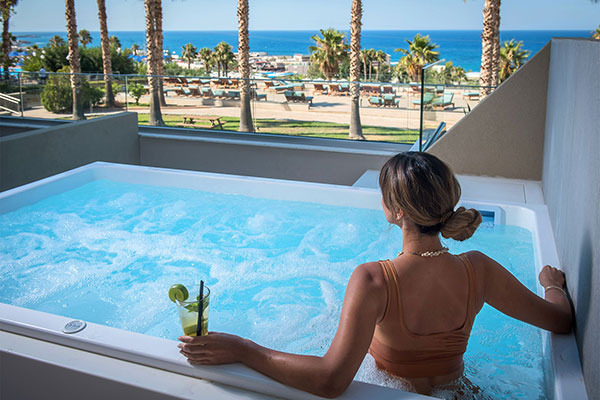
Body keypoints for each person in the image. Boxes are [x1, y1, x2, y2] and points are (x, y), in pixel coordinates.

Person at [178, 152, 573, 398]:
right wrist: (553, 285)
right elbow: (559, 319)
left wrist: (244, 349)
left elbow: (331, 381)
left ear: (394, 211)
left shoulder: (374, 280)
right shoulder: (478, 269)